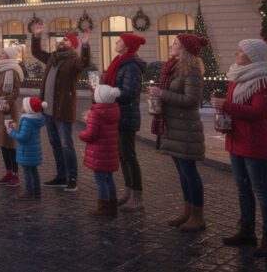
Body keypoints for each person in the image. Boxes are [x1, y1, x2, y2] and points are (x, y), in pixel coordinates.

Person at [212, 39, 267, 257]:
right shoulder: (236, 75)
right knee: (243, 188)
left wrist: (226, 106)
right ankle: (246, 231)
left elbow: (259, 113)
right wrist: (222, 113)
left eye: (241, 50)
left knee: (261, 189)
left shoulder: (265, 80)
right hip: (236, 139)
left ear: (252, 55)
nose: (237, 53)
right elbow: (231, 104)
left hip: (255, 141)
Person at [149, 33, 208, 232]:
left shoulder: (191, 71)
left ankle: (198, 217)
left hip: (186, 129)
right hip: (174, 127)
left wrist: (162, 94)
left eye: (175, 43)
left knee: (190, 173)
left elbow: (192, 100)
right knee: (183, 173)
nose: (171, 45)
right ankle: (187, 211)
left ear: (184, 49)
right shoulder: (173, 68)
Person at [30, 22, 91, 192]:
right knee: (55, 144)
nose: (62, 41)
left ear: (73, 45)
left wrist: (85, 45)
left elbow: (85, 63)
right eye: (62, 39)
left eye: (66, 40)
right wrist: (37, 36)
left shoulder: (74, 62)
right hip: (48, 110)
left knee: (66, 145)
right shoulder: (53, 58)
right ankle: (61, 176)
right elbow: (36, 52)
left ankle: (72, 178)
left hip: (63, 110)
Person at [104, 32, 147, 212]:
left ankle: (137, 195)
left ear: (127, 46)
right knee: (123, 155)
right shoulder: (120, 62)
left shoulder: (131, 66)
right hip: (118, 114)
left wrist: (110, 93)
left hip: (126, 114)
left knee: (129, 156)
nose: (116, 42)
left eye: (120, 41)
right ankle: (129, 190)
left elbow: (129, 92)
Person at [79, 84, 122, 217]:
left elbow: (91, 134)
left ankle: (103, 207)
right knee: (109, 178)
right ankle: (113, 206)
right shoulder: (114, 110)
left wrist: (81, 134)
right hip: (110, 152)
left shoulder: (95, 113)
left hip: (99, 153)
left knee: (101, 180)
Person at [0, 46, 24, 187]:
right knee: (3, 142)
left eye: (3, 53)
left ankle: (16, 174)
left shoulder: (13, 70)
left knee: (11, 143)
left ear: (9, 56)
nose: (1, 54)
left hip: (9, 112)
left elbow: (15, 92)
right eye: (1, 52)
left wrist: (5, 100)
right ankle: (8, 172)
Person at [7, 97, 46, 199]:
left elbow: (23, 137)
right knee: (34, 171)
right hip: (33, 151)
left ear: (29, 109)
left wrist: (12, 133)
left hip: (27, 151)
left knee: (27, 172)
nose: (22, 106)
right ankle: (37, 191)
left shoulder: (27, 121)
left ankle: (29, 191)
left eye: (24, 105)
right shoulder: (34, 119)